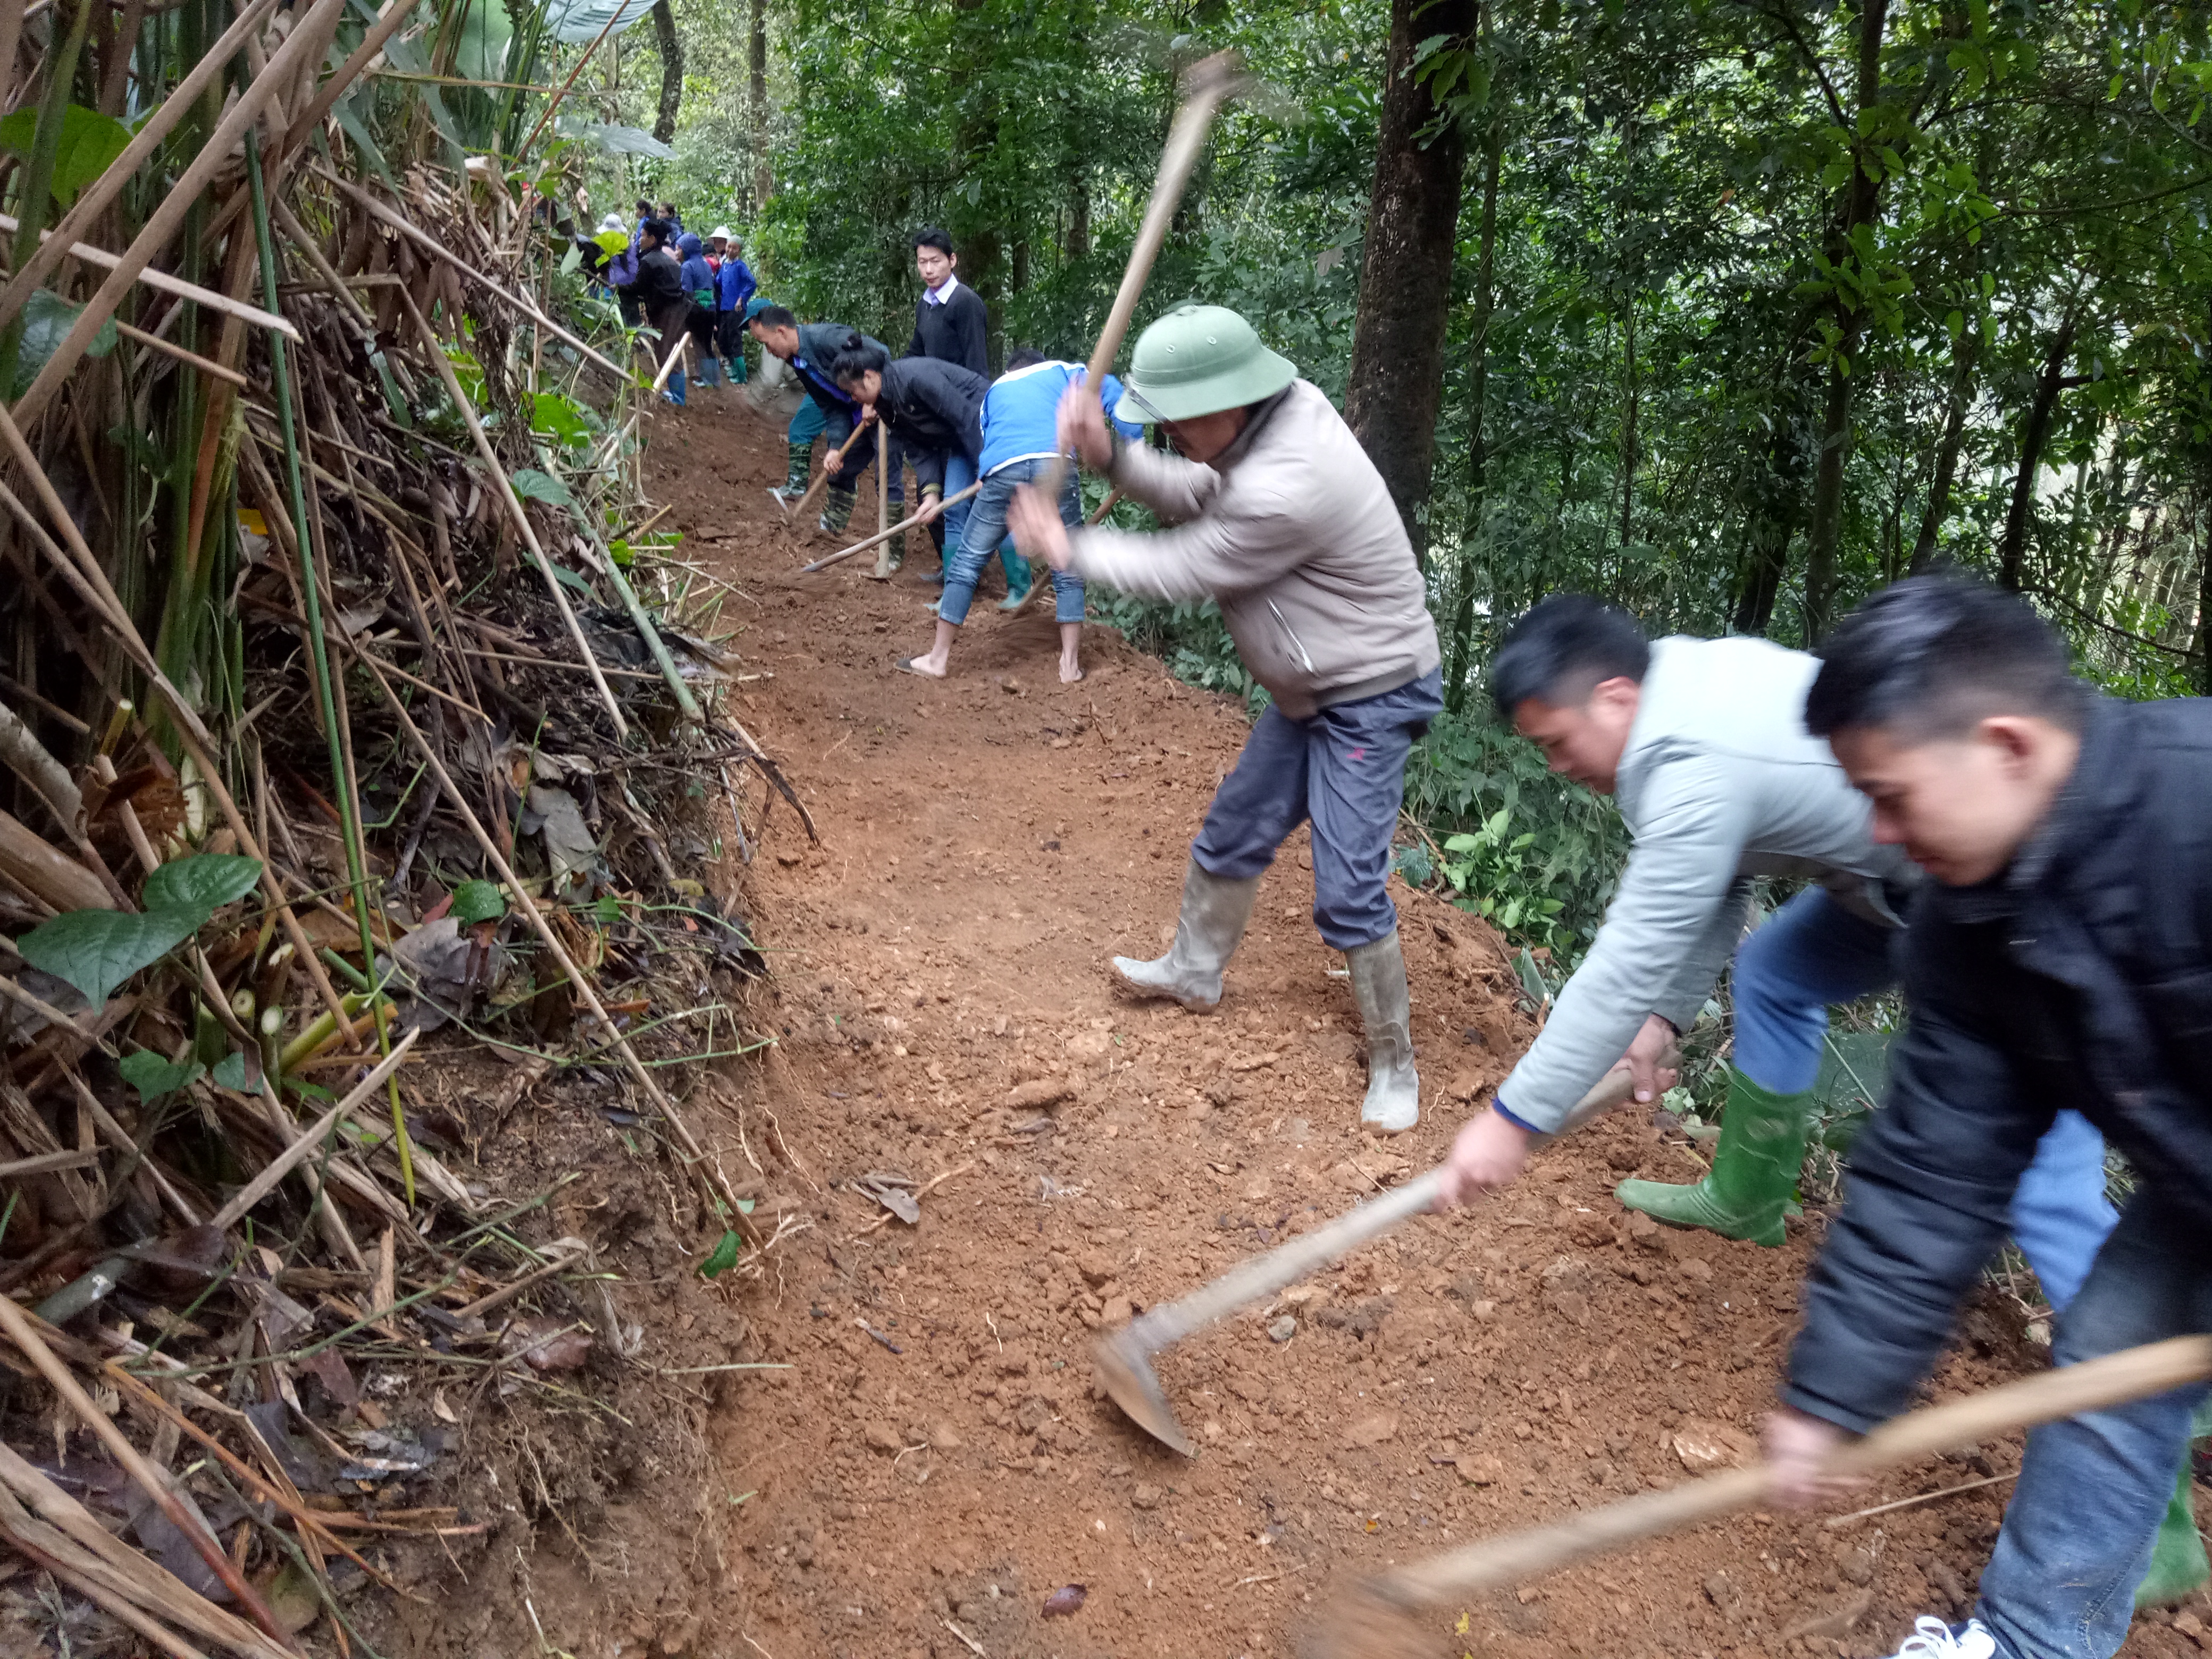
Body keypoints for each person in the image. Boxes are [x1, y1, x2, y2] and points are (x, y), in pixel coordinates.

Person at [1431, 597, 2117, 1310]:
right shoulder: (1670, 694)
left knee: (2033, 1134)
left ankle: (2136, 1354)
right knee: (1776, 974)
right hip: (1887, 880)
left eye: (1557, 742)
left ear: (1612, 697)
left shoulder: (1690, 762)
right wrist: (1663, 1016)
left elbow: (1623, 965)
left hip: (1996, 883)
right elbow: (1721, 881)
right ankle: (1748, 1194)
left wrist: (1513, 1120)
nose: (1556, 765)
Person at [1011, 302, 1442, 1132]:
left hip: (1371, 693)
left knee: (1349, 888)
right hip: (1312, 689)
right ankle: (1193, 971)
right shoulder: (1261, 427)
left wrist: (1072, 550)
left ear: (1220, 408)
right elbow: (1197, 486)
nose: (1166, 437)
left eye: (1170, 424)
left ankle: (1397, 1065)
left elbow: (1192, 560)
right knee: (1235, 828)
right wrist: (1115, 457)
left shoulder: (1292, 479)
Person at [896, 350, 1141, 684]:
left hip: (1002, 469)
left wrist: (986, 472)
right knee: (1067, 562)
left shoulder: (995, 390)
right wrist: (1135, 447)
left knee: (968, 560)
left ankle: (938, 659)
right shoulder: (1064, 371)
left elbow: (985, 437)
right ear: (1040, 364)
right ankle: (1069, 666)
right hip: (1051, 461)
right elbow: (1114, 394)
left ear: (1012, 371)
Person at [830, 337, 988, 583]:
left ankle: (1006, 581)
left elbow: (966, 417)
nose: (853, 399)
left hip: (983, 427)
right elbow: (919, 449)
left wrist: (984, 469)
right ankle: (957, 577)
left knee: (995, 501)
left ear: (870, 377)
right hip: (955, 438)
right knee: (945, 505)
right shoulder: (887, 406)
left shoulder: (916, 378)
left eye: (853, 392)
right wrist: (931, 494)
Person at [747, 304, 898, 531]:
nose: (768, 351)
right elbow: (830, 407)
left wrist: (874, 400)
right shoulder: (799, 363)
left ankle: (892, 551)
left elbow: (881, 353)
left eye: (767, 343)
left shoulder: (825, 339)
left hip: (882, 410)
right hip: (856, 415)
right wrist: (836, 446)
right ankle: (829, 531)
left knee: (887, 480)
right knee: (840, 469)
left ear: (781, 332)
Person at [900, 228, 991, 568]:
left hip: (964, 412)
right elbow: (917, 352)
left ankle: (971, 571)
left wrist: (977, 423)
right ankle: (953, 570)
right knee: (932, 490)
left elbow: (977, 365)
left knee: (959, 497)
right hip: (935, 411)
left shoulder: (965, 303)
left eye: (935, 261)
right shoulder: (926, 304)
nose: (928, 269)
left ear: (952, 260)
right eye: (922, 262)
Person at [629, 219, 691, 405]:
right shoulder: (667, 260)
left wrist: (619, 285)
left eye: (643, 236)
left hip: (667, 311)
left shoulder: (649, 261)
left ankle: (678, 397)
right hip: (678, 308)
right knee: (671, 349)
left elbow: (636, 287)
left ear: (652, 239)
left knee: (665, 351)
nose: (640, 240)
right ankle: (677, 394)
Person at [676, 232, 721, 389]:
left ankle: (705, 379)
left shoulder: (687, 267)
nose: (676, 252)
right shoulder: (705, 265)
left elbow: (686, 292)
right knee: (708, 344)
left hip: (697, 310)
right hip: (711, 309)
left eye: (678, 249)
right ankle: (715, 380)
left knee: (699, 344)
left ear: (686, 250)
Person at [711, 228, 755, 384]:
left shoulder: (740, 267)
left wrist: (741, 299)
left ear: (739, 250)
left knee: (735, 341)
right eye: (729, 247)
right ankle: (733, 368)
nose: (730, 250)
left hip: (736, 311)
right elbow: (718, 283)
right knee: (723, 340)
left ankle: (741, 377)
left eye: (734, 248)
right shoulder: (725, 266)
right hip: (724, 308)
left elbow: (752, 283)